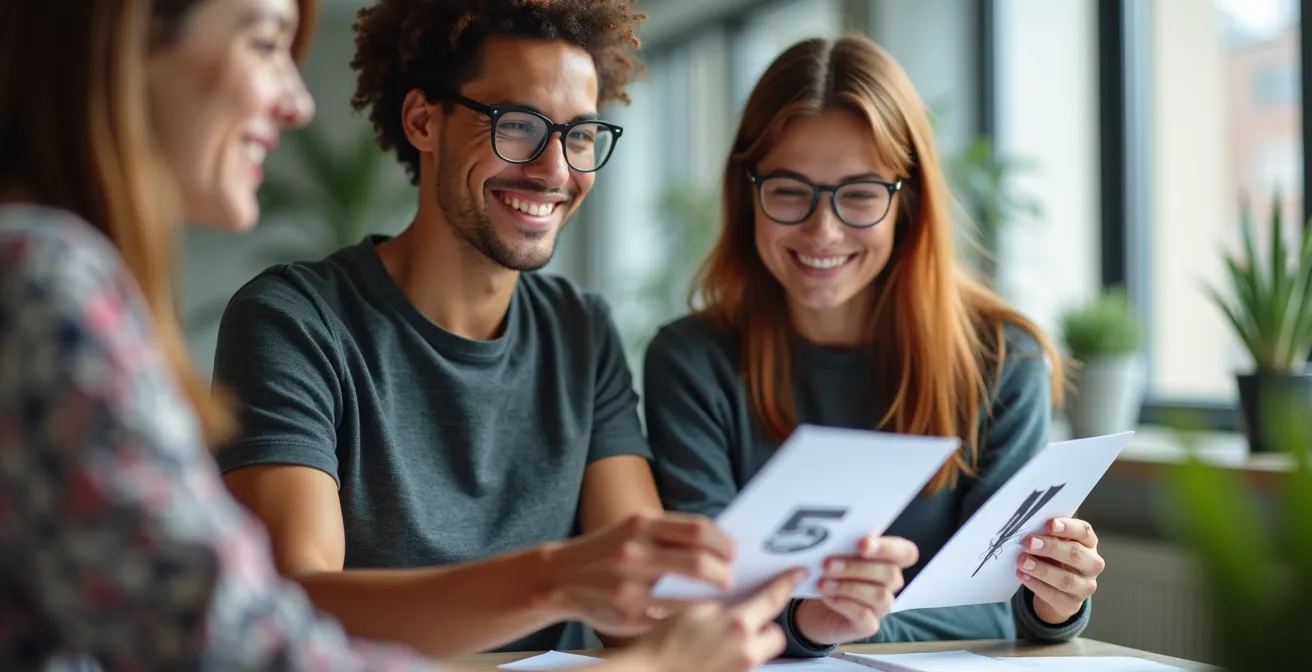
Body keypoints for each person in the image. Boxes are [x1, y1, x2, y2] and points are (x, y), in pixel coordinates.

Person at [0, 0, 810, 669]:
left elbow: (639, 591)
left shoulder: (582, 331)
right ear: (423, 121)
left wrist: (800, 595)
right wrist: (558, 581)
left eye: (580, 134)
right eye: (521, 125)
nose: (557, 169)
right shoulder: (274, 317)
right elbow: (276, 615)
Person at [642, 35, 1108, 657]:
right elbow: (702, 607)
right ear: (746, 192)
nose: (822, 230)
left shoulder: (1001, 361)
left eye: (859, 193)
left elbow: (1005, 607)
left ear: (906, 202)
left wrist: (1054, 601)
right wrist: (810, 625)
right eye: (788, 190)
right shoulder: (691, 361)